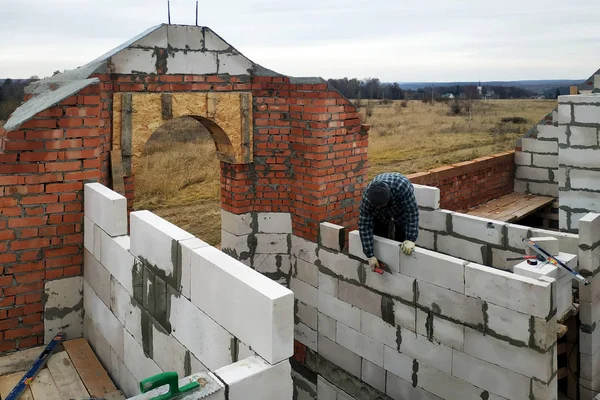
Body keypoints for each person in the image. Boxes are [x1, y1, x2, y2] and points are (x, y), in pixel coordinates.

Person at [358, 172, 419, 271]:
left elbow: (412, 213)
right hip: (379, 215)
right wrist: (369, 254)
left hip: (400, 209)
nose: (379, 207)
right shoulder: (367, 198)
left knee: (403, 235)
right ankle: (384, 261)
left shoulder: (402, 188)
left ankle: (404, 268)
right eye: (377, 206)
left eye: (381, 206)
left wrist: (410, 239)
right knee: (379, 236)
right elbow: (364, 225)